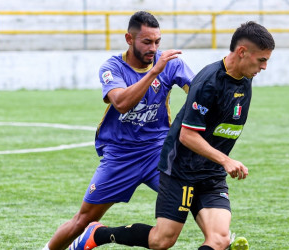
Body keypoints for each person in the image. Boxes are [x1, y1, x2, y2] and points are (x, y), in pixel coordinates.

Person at [69, 21, 275, 250]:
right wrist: (226, 160)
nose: (265, 67)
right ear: (242, 52)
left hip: (211, 172)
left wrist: (219, 162)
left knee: (220, 240)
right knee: (162, 241)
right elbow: (187, 136)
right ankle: (98, 234)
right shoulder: (208, 82)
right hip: (180, 169)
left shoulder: (246, 79)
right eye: (262, 60)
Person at [43, 11, 194, 250]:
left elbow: (197, 92)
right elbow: (122, 103)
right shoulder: (112, 67)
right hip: (121, 155)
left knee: (195, 196)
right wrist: (155, 72)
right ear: (129, 39)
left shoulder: (170, 62)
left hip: (158, 151)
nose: (153, 48)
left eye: (157, 42)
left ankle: (219, 240)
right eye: (146, 42)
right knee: (84, 219)